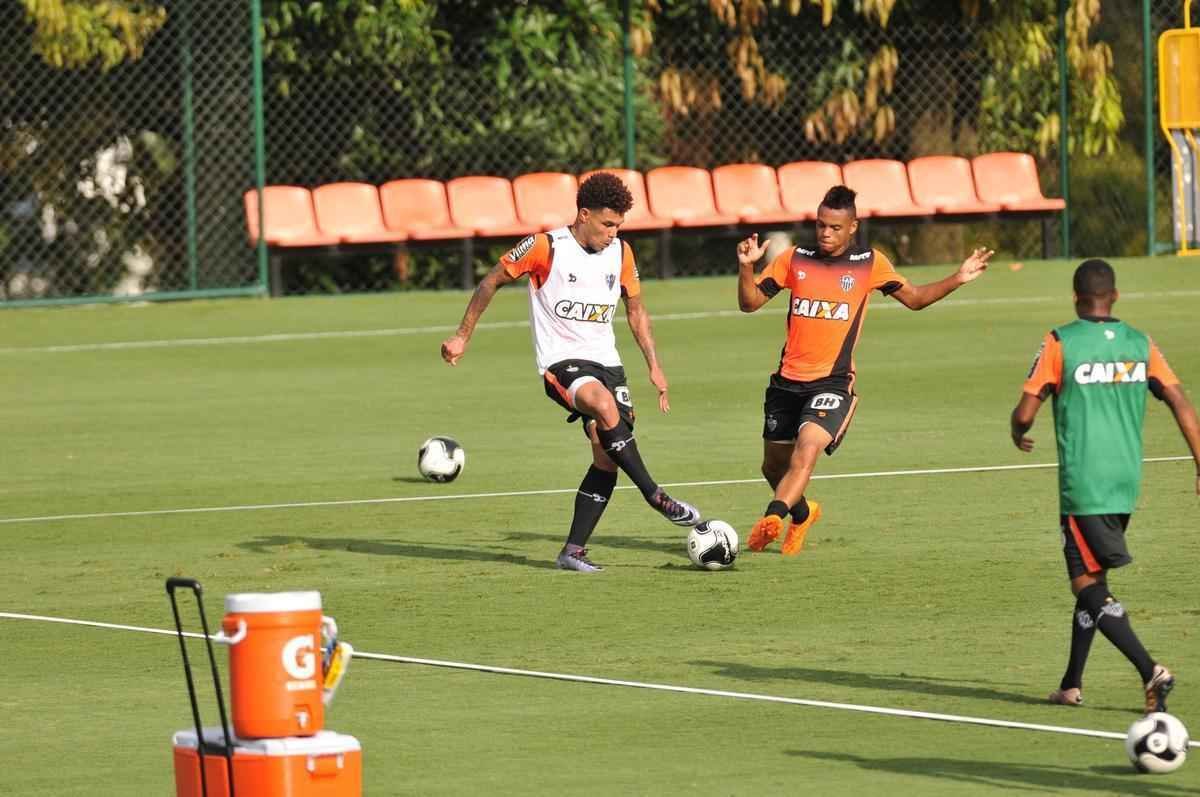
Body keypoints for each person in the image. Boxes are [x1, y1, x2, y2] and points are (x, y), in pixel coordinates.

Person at [440, 172, 700, 573]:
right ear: (583, 215)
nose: (614, 233)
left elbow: (636, 309)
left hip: (607, 363)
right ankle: (656, 496)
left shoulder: (622, 253)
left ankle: (572, 551)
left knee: (607, 456)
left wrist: (654, 366)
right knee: (602, 405)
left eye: (619, 226)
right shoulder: (546, 247)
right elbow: (492, 280)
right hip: (562, 362)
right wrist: (462, 336)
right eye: (607, 224)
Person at [736, 185, 993, 555]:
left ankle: (773, 518)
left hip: (833, 383)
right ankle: (803, 512)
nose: (826, 233)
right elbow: (750, 303)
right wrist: (746, 268)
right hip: (786, 383)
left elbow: (916, 299)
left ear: (853, 227)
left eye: (835, 228)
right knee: (773, 468)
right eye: (821, 225)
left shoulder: (870, 264)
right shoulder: (795, 258)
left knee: (805, 452)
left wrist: (958, 277)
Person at [1010, 258, 1200, 712]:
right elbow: (1179, 401)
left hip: (1084, 484)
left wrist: (1017, 432)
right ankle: (1071, 684)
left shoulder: (1060, 341)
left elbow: (1024, 413)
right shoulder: (1141, 343)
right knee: (1096, 577)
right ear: (1114, 296)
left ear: (1076, 298)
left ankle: (1150, 669)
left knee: (1084, 584)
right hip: (1124, 483)